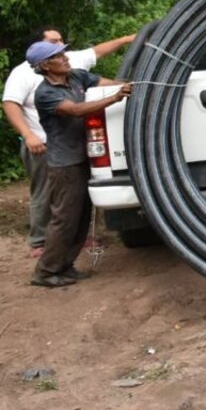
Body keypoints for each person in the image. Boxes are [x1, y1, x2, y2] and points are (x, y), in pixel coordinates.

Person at [2, 27, 135, 257]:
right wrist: (29, 135)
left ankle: (75, 243)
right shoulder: (27, 77)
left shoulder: (68, 67)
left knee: (76, 200)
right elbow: (11, 104)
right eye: (54, 43)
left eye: (61, 42)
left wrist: (126, 44)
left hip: (74, 145)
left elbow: (96, 56)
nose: (61, 48)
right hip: (44, 145)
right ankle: (41, 244)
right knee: (50, 196)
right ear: (42, 57)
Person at [27, 41, 131, 287]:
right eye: (57, 56)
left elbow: (103, 84)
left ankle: (65, 265)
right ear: (44, 65)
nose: (65, 57)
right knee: (64, 218)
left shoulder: (75, 77)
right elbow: (76, 110)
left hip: (83, 157)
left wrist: (127, 86)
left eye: (62, 53)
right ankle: (45, 272)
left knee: (82, 216)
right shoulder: (46, 93)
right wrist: (116, 98)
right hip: (65, 164)